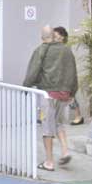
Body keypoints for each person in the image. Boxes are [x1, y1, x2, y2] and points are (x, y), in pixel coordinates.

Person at [24, 25, 78, 171]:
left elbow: (33, 72)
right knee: (58, 122)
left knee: (47, 127)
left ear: (42, 37)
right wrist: (72, 93)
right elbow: (73, 72)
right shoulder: (66, 50)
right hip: (64, 94)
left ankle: (49, 162)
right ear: (53, 36)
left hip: (48, 94)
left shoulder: (41, 50)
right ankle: (65, 151)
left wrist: (26, 88)